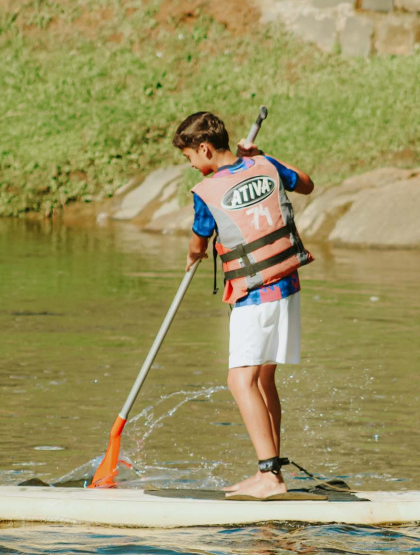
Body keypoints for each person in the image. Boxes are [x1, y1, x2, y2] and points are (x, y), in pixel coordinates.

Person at [173, 111, 315, 499]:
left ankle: (269, 476)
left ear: (204, 149)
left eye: (189, 159)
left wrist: (191, 258)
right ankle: (273, 468)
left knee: (240, 381)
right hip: (287, 287)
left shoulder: (207, 192)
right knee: (263, 380)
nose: (191, 166)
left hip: (255, 296)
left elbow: (199, 240)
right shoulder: (264, 164)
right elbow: (306, 184)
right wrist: (264, 156)